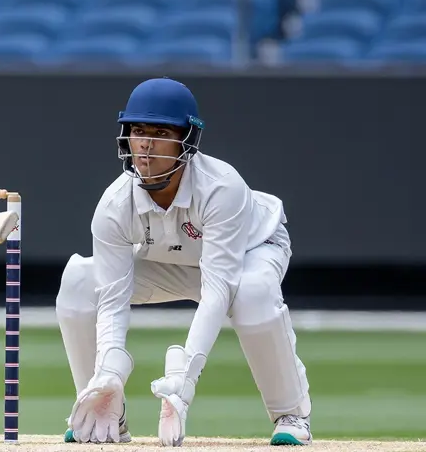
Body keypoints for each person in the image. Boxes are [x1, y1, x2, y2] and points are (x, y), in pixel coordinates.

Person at [56, 78, 312, 446]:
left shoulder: (222, 187)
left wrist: (184, 382)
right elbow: (111, 300)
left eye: (160, 132)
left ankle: (292, 416)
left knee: (253, 292)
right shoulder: (114, 205)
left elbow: (219, 289)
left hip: (250, 252)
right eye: (137, 131)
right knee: (79, 279)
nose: (145, 144)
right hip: (169, 262)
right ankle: (103, 410)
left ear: (187, 139)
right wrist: (108, 372)